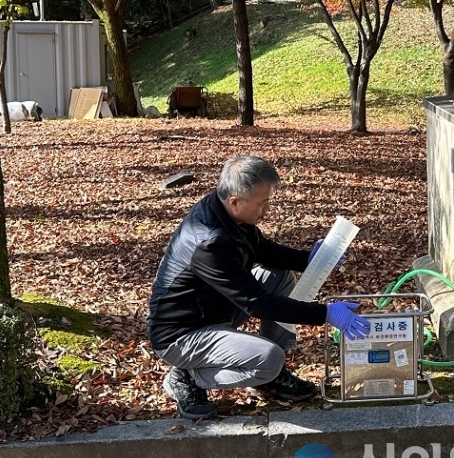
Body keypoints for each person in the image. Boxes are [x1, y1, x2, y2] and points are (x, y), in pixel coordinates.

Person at [148, 155, 370, 419]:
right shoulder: (210, 242)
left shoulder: (226, 211)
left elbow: (262, 250)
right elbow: (258, 303)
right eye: (262, 203)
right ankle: (188, 377)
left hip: (213, 310)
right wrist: (326, 314)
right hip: (181, 334)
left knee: (279, 275)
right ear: (235, 201)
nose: (267, 210)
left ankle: (270, 377)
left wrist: (308, 259)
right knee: (270, 357)